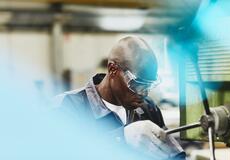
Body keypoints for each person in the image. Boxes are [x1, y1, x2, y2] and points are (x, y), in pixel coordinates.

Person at [54, 36, 185, 160]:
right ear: (112, 70)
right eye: (137, 84)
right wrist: (120, 138)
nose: (144, 93)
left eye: (148, 86)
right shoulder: (67, 107)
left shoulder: (148, 110)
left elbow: (172, 154)